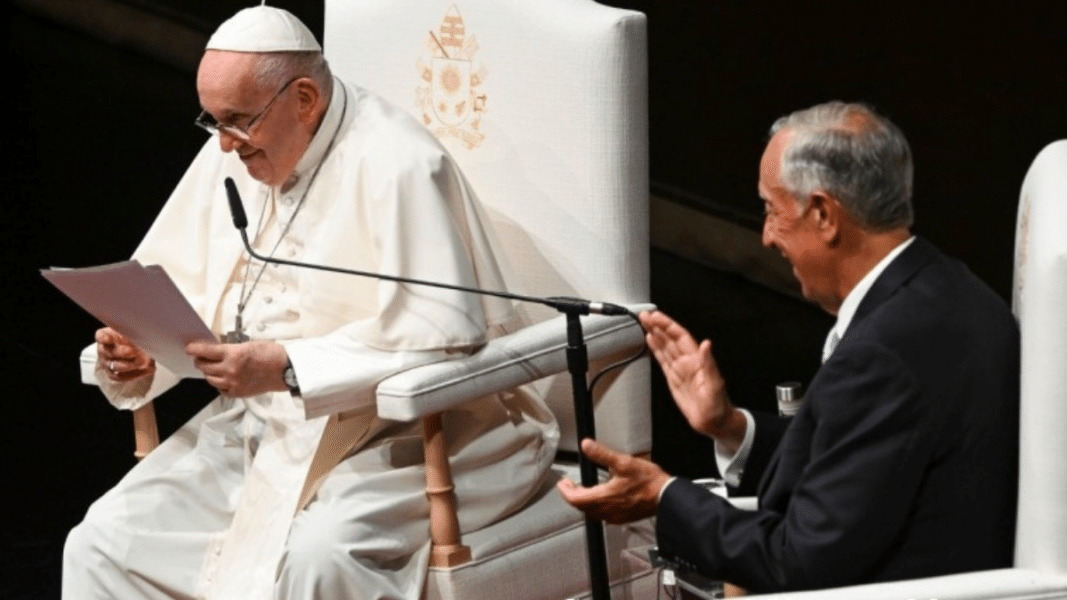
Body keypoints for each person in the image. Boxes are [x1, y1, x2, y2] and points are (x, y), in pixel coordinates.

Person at [63, 6, 558, 600]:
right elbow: (180, 286)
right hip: (262, 427)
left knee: (317, 558)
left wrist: (289, 367)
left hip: (412, 433)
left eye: (237, 122)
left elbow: (442, 338)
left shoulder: (399, 164)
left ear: (303, 99)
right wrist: (145, 350)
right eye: (212, 121)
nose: (224, 144)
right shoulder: (237, 148)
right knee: (102, 543)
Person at [559, 101, 1019, 593]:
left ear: (823, 214)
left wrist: (663, 496)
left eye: (771, 210)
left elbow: (797, 562)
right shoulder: (954, 291)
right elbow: (859, 462)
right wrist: (729, 426)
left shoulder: (882, 355)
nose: (765, 237)